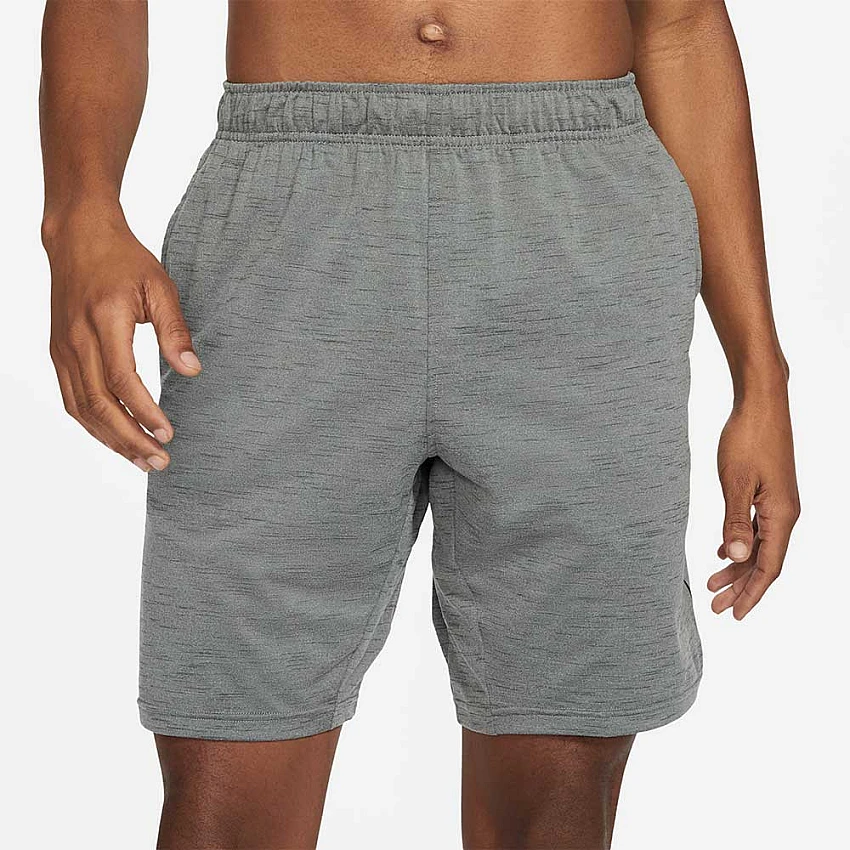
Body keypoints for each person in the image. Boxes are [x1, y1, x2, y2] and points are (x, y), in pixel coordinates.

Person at [39, 1, 800, 848]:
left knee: (559, 794)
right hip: (290, 213)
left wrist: (760, 379)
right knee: (225, 774)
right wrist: (79, 212)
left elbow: (680, 24)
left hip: (576, 219)